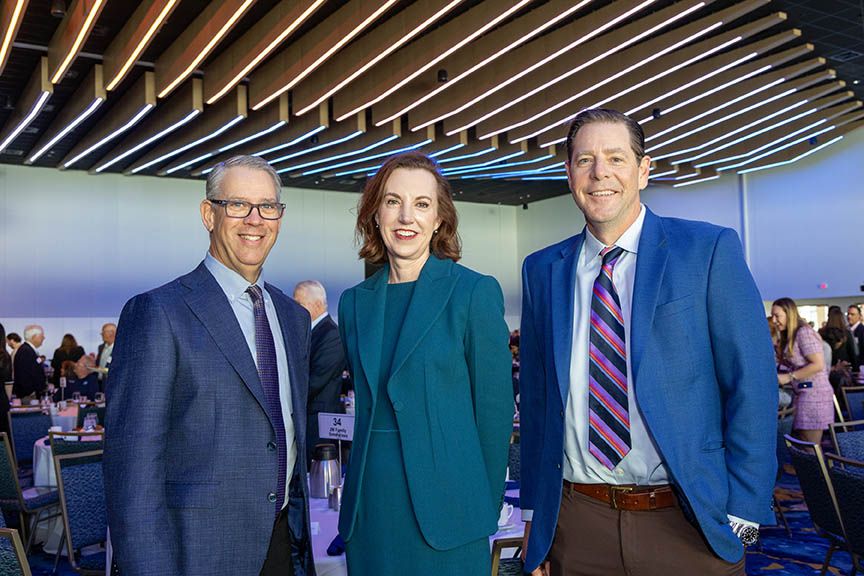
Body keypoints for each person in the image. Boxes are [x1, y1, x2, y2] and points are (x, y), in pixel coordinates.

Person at [519, 109, 777, 576]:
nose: (600, 173)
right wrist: (535, 518)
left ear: (643, 170)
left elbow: (752, 383)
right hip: (578, 524)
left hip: (690, 522)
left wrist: (745, 517)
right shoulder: (542, 270)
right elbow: (537, 402)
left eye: (616, 158)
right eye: (585, 160)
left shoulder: (707, 250)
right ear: (569, 172)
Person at [104, 155, 315, 576]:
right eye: (237, 205)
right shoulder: (159, 312)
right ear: (208, 214)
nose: (255, 219)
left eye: (267, 206)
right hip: (195, 553)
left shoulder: (294, 319)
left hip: (281, 546)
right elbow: (132, 471)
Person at [338, 151, 512, 575]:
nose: (406, 217)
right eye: (393, 201)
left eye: (421, 204)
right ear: (375, 213)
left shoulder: (472, 293)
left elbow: (493, 415)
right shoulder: (353, 304)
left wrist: (480, 507)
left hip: (450, 514)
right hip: (370, 514)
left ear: (438, 219)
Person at [292, 280, 347, 466]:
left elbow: (315, 381)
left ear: (316, 304)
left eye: (299, 304)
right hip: (306, 418)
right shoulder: (309, 333)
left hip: (319, 424)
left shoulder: (332, 335)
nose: (294, 309)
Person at [772, 297, 833, 444]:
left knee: (810, 447)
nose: (774, 320)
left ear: (789, 314)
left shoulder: (804, 332)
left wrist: (788, 377)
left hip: (814, 395)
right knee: (804, 444)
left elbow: (818, 364)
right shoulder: (791, 334)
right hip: (804, 392)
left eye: (777, 316)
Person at [13, 325, 47, 399]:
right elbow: (26, 374)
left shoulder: (27, 350)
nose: (44, 338)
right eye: (41, 336)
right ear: (34, 337)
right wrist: (32, 391)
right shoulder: (26, 351)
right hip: (29, 395)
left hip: (30, 393)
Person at [95, 322, 116, 388]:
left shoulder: (119, 348)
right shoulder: (100, 347)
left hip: (111, 383)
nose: (101, 334)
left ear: (112, 333)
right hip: (98, 382)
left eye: (103, 332)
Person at [846, 305, 863, 369]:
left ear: (859, 316)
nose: (849, 316)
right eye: (848, 314)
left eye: (852, 314)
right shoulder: (845, 330)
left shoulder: (862, 331)